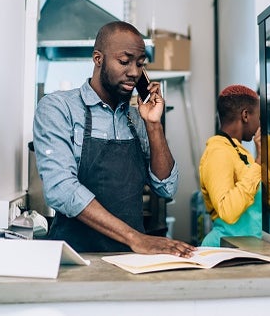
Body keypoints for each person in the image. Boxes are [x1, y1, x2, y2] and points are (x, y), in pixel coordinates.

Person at [32, 21, 195, 256]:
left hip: (131, 259)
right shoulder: (58, 108)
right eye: (124, 61)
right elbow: (61, 189)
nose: (134, 72)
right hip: (76, 258)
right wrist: (135, 238)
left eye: (140, 64)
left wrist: (154, 125)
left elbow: (167, 188)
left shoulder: (137, 118)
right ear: (98, 59)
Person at [198, 85, 263, 246]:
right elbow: (228, 210)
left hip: (249, 247)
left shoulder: (241, 152)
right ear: (246, 115)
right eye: (259, 117)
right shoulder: (217, 152)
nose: (260, 122)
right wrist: (260, 161)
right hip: (225, 249)